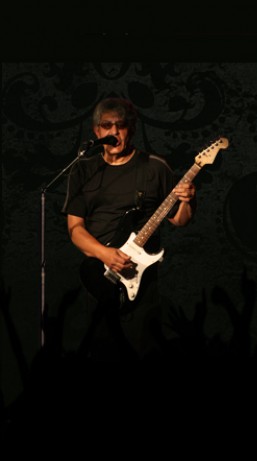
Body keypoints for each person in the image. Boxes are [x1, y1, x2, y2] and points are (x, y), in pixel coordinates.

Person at [63, 97, 196, 361]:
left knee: (145, 353)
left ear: (131, 129)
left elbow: (180, 220)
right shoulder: (83, 170)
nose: (114, 131)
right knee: (101, 355)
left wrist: (187, 200)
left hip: (142, 282)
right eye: (107, 125)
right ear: (97, 131)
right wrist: (104, 254)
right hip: (99, 280)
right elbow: (75, 229)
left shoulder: (155, 167)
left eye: (121, 125)